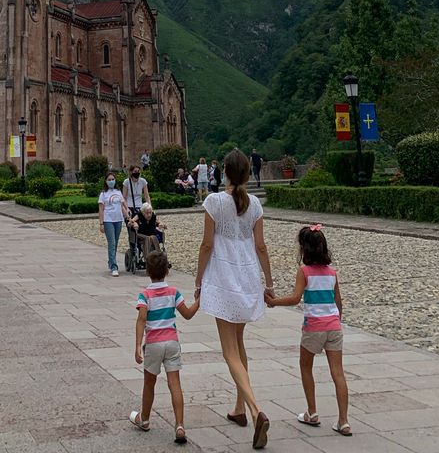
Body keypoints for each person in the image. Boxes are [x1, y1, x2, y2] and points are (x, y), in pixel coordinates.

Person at [194, 148, 275, 449]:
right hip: (247, 276)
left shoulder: (214, 202)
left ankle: (256, 410)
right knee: (240, 347)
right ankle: (239, 409)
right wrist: (269, 282)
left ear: (224, 171)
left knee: (229, 351)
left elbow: (206, 246)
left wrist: (199, 281)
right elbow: (261, 247)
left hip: (223, 277)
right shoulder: (254, 204)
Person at [266, 225, 351, 436]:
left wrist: (274, 302)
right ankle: (343, 420)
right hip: (333, 326)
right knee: (338, 373)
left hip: (313, 326)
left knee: (305, 366)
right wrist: (336, 322)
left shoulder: (304, 272)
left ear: (304, 250)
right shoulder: (332, 273)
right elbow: (339, 303)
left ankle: (312, 412)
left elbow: (295, 299)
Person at [131, 250, 200, 443]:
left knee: (149, 383)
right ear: (167, 272)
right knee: (174, 384)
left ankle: (144, 419)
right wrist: (199, 301)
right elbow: (187, 314)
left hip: (153, 344)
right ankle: (179, 425)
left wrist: (137, 346)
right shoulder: (173, 293)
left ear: (147, 272)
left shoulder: (144, 295)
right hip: (172, 342)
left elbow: (141, 319)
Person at [98, 172, 130, 276]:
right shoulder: (103, 194)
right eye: (109, 179)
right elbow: (101, 210)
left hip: (118, 220)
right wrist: (101, 223)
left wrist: (128, 217)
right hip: (108, 221)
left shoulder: (118, 192)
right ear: (106, 181)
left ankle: (111, 261)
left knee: (115, 243)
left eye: (113, 179)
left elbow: (121, 207)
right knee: (111, 243)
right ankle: (114, 266)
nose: (111, 181)